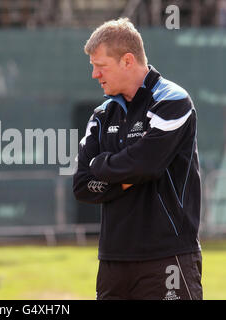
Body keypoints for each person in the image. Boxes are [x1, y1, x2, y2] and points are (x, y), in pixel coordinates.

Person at [73, 18, 202, 300]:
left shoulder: (172, 100)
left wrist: (101, 165)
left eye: (100, 66)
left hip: (168, 255)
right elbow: (82, 185)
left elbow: (146, 165)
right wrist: (126, 180)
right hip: (113, 261)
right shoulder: (101, 115)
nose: (95, 74)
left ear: (127, 61)